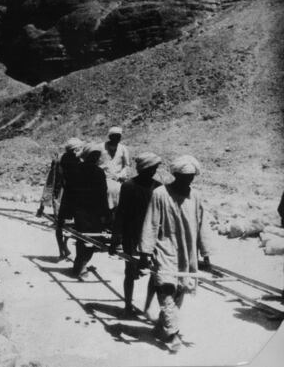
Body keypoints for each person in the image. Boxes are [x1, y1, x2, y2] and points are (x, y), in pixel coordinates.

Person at [138, 155, 213, 353]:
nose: (187, 180)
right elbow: (151, 223)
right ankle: (174, 334)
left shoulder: (195, 196)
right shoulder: (160, 194)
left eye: (190, 177)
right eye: (183, 177)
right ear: (175, 175)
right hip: (165, 249)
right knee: (166, 290)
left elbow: (202, 225)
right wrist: (145, 252)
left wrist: (206, 255)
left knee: (180, 292)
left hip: (187, 252)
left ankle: (161, 328)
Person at [109, 152, 162, 318]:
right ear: (144, 168)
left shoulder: (158, 187)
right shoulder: (129, 186)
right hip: (131, 233)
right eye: (152, 168)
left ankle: (147, 306)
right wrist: (115, 237)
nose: (154, 171)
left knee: (154, 273)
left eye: (155, 168)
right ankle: (127, 305)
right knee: (130, 270)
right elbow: (121, 212)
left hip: (151, 233)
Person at [59, 142, 110, 279]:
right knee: (85, 238)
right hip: (83, 209)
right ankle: (81, 265)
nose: (95, 157)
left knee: (89, 238)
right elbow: (70, 191)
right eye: (93, 155)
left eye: (97, 155)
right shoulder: (91, 171)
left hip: (89, 209)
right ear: (88, 156)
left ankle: (80, 263)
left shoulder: (96, 172)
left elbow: (102, 193)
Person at [52, 137, 83, 260]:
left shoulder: (62, 159)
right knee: (70, 224)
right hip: (71, 194)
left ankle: (62, 249)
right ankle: (64, 246)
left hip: (63, 193)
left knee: (61, 224)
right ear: (75, 149)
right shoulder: (76, 161)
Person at [100, 126, 131, 215]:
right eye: (115, 136)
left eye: (119, 136)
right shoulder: (101, 147)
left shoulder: (123, 148)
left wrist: (120, 175)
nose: (117, 138)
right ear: (110, 137)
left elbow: (126, 165)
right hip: (104, 177)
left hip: (118, 178)